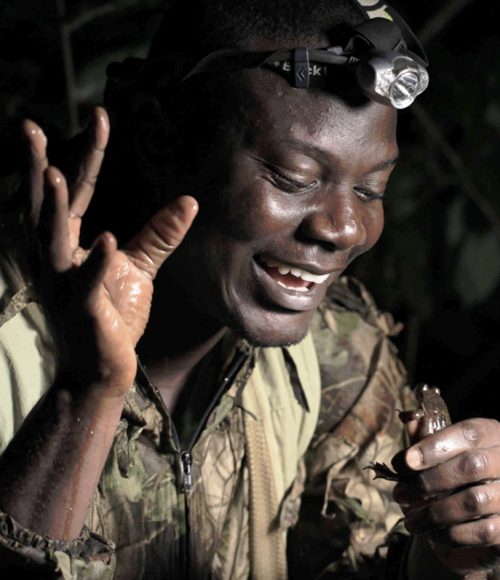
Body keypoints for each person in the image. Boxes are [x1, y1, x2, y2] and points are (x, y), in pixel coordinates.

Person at [1, 0, 500, 578]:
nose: (343, 229)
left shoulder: (333, 356)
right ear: (162, 140)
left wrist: (452, 552)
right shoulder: (13, 336)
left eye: (371, 191)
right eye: (294, 179)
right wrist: (84, 398)